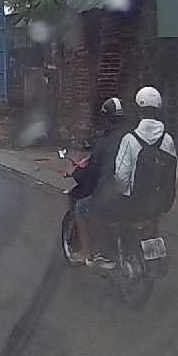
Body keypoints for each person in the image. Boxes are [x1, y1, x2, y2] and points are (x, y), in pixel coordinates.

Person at [89, 86, 178, 268]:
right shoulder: (168, 139)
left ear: (138, 110)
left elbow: (121, 177)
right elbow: (174, 174)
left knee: (97, 207)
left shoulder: (130, 139)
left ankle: (106, 254)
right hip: (160, 203)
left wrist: (119, 194)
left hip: (133, 203)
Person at [67, 97, 130, 265]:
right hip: (135, 194)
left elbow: (93, 171)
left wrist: (76, 174)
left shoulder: (105, 141)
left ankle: (87, 253)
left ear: (106, 118)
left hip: (112, 193)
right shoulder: (131, 137)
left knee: (81, 207)